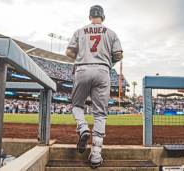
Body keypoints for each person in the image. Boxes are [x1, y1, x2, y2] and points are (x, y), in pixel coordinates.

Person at [66, 5, 123, 168]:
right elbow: (118, 54)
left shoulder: (80, 31)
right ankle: (96, 155)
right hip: (102, 70)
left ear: (89, 16)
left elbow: (68, 52)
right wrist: (108, 61)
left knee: (77, 105)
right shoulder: (111, 33)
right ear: (103, 17)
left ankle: (83, 127)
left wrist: (82, 55)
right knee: (100, 114)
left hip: (82, 69)